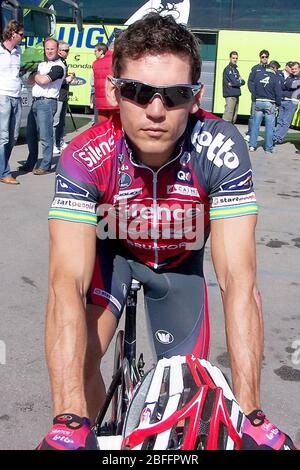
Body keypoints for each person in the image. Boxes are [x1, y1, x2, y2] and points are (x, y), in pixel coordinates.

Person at [38, 13, 297, 450]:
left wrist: (250, 413)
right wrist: (68, 416)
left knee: (189, 402)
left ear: (195, 99)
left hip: (179, 265)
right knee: (80, 371)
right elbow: (66, 282)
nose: (156, 111)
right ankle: (101, 429)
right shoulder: (86, 153)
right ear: (113, 91)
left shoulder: (220, 147)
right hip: (112, 253)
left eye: (175, 95)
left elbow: (239, 281)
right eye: (138, 92)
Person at [19, 38, 66, 175]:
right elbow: (29, 80)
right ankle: (31, 162)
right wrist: (36, 75)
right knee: (30, 134)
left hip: (47, 102)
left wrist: (36, 75)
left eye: (52, 48)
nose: (49, 51)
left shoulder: (59, 67)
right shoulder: (42, 65)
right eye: (47, 48)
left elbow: (44, 80)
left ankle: (46, 164)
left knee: (46, 135)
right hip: (35, 101)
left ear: (57, 50)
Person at [0, 20, 24, 185]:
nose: (23, 37)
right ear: (12, 33)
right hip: (2, 96)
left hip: (16, 96)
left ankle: (2, 169)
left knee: (14, 136)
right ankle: (4, 172)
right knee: (3, 137)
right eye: (21, 34)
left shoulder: (18, 51)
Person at [248, 61, 282, 153]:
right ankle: (268, 148)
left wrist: (255, 99)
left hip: (258, 102)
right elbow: (278, 92)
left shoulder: (258, 75)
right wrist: (278, 104)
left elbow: (253, 88)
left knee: (255, 125)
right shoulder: (275, 77)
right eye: (277, 69)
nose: (277, 71)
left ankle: (252, 146)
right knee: (269, 126)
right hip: (270, 103)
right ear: (274, 68)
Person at [53, 41, 75, 156]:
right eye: (66, 50)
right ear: (59, 51)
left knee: (61, 121)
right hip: (58, 95)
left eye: (68, 50)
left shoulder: (63, 61)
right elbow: (55, 80)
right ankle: (54, 144)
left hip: (64, 94)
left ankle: (60, 141)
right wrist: (67, 79)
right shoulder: (56, 62)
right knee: (56, 121)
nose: (68, 52)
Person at [245, 49, 270, 142]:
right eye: (262, 57)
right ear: (260, 57)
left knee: (266, 118)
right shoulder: (255, 68)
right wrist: (254, 93)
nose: (264, 58)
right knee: (253, 116)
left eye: (266, 57)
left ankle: (267, 138)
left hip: (266, 98)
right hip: (256, 98)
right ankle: (250, 133)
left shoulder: (270, 69)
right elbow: (250, 82)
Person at [273, 61, 300, 145]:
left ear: (299, 68)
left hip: (292, 102)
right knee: (280, 120)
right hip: (283, 100)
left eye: (295, 69)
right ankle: (275, 137)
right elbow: (283, 85)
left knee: (286, 121)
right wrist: (287, 84)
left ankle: (278, 138)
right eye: (292, 69)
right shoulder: (290, 76)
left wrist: (287, 84)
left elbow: (291, 85)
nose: (294, 70)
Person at [93, 41, 119, 124]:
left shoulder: (96, 63)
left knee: (102, 126)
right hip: (114, 100)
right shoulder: (118, 62)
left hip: (100, 101)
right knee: (115, 126)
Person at [222, 51, 245, 123]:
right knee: (228, 116)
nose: (235, 59)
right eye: (233, 58)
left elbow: (243, 82)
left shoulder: (235, 70)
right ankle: (224, 131)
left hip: (236, 95)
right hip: (230, 95)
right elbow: (235, 82)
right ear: (230, 58)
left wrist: (238, 82)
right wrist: (238, 81)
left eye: (236, 58)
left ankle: (230, 132)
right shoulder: (228, 69)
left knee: (234, 117)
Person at [90, 43, 108, 125]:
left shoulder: (98, 63)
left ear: (101, 51)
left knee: (99, 116)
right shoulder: (96, 62)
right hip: (97, 90)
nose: (94, 53)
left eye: (95, 51)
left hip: (99, 92)